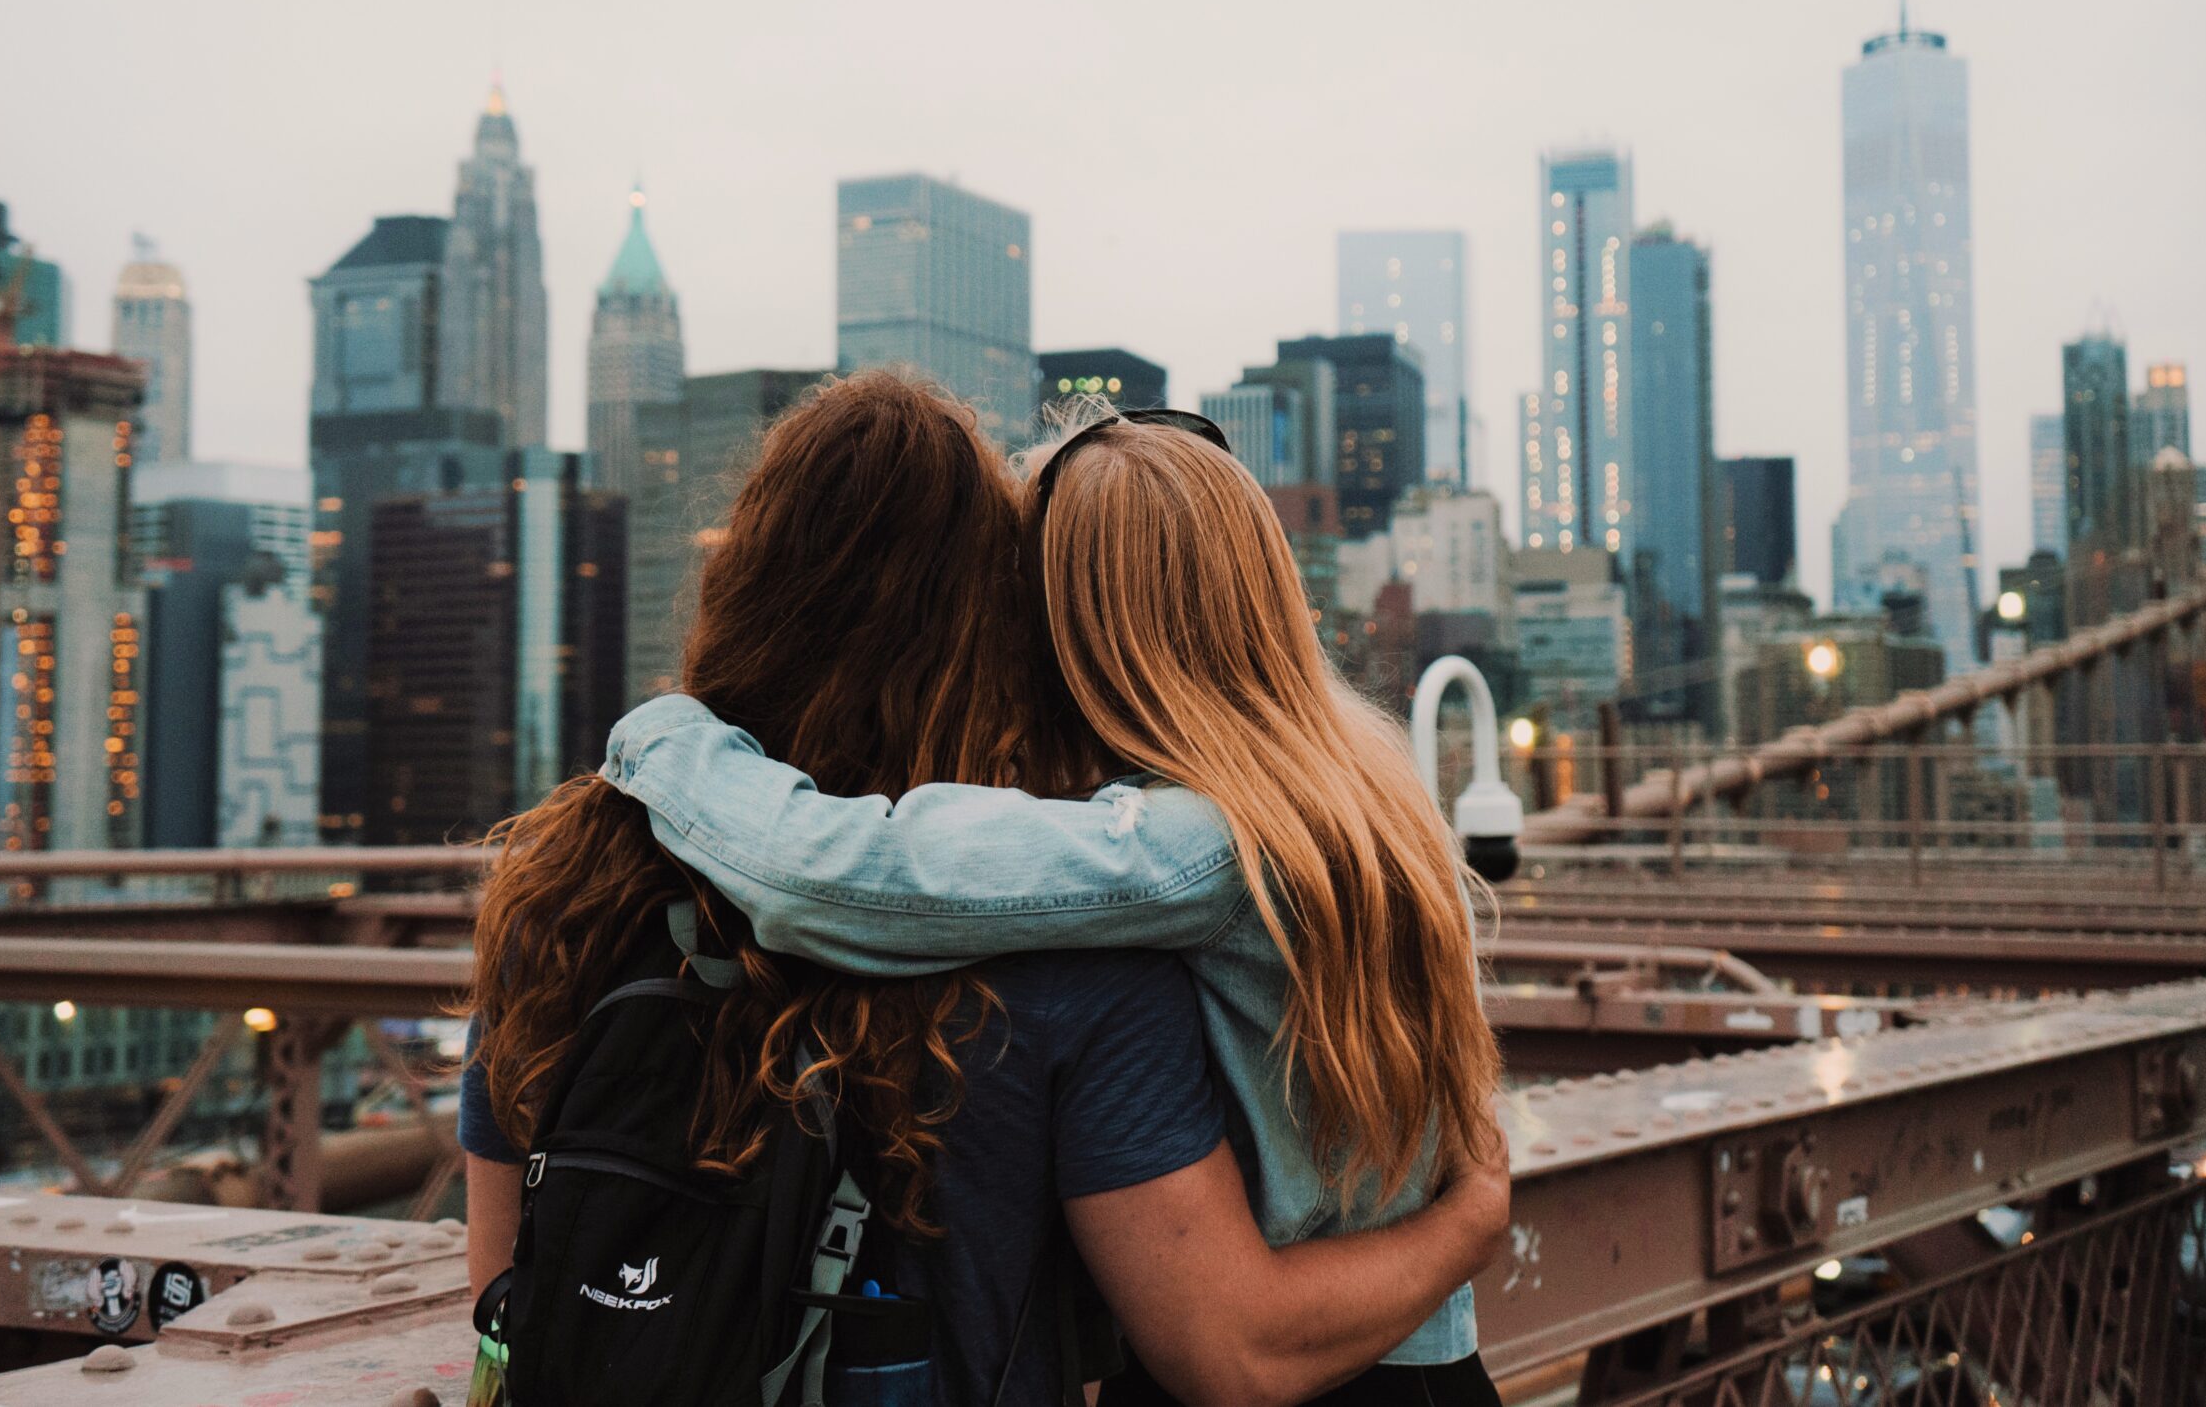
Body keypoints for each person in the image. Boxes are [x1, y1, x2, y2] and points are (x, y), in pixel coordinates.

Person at [465, 376, 1509, 1407]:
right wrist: (1463, 1224)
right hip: (1387, 1351)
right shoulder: (1364, 802)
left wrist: (662, 737)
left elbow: (835, 872)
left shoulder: (554, 896)